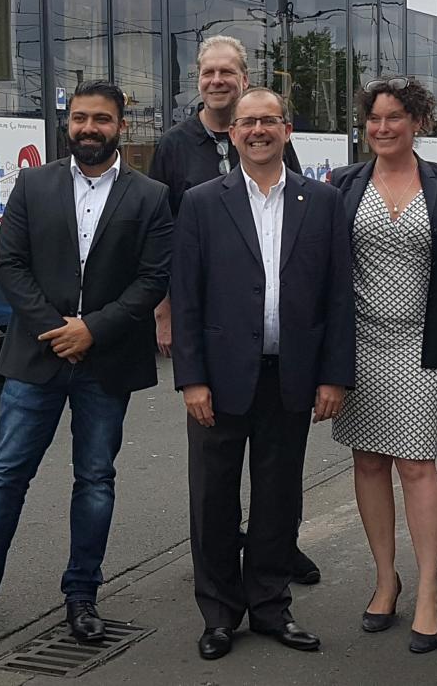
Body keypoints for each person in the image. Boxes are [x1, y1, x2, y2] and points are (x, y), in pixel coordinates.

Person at [0, 81, 173, 650]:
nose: (89, 128)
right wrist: (57, 329)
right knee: (5, 479)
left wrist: (94, 328)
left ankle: (81, 598)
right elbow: (9, 263)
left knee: (95, 482)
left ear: (121, 127)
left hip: (106, 361)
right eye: (80, 118)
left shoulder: (151, 196)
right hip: (36, 356)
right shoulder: (34, 184)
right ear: (68, 123)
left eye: (101, 119)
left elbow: (154, 277)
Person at [170, 86, 352, 661]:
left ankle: (271, 605)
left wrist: (334, 376)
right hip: (219, 380)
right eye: (246, 122)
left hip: (291, 375)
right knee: (213, 499)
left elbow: (338, 297)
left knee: (279, 498)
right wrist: (190, 378)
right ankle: (220, 614)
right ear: (232, 133)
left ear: (287, 130)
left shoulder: (320, 202)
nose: (256, 131)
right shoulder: (202, 201)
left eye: (268, 121)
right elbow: (187, 296)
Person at [148, 34, 320, 586]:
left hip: (275, 340)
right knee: (217, 478)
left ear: (245, 79)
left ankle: (277, 553)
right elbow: (164, 235)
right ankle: (221, 582)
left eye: (229, 72)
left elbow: (290, 218)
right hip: (217, 329)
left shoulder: (268, 139)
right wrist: (166, 311)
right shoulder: (175, 145)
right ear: (198, 79)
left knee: (278, 474)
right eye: (209, 72)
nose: (218, 80)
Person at [329, 76, 437, 654]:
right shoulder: (343, 183)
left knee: (415, 463)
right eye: (373, 118)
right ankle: (384, 579)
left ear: (419, 122)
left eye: (395, 117)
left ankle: (428, 589)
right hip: (358, 344)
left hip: (425, 347)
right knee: (368, 461)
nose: (382, 127)